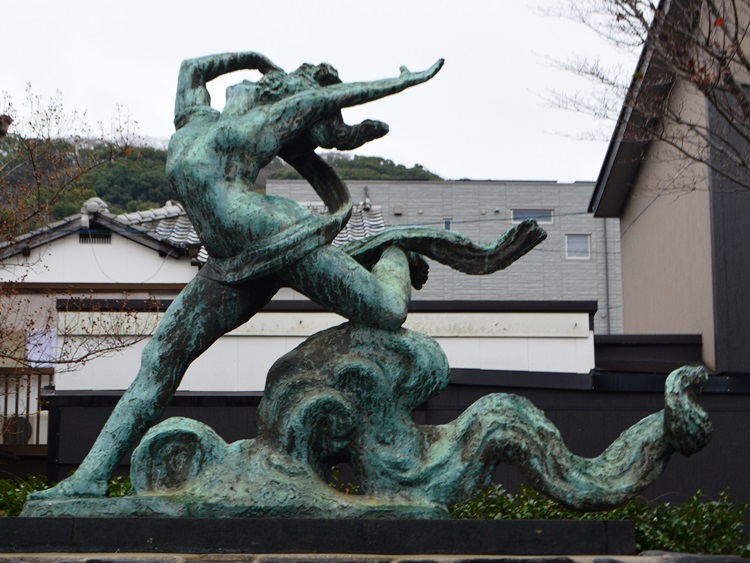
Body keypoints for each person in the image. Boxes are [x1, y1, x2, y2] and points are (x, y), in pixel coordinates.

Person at [32, 53, 544, 499]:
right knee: (159, 359)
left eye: (251, 84)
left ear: (272, 93)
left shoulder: (260, 121)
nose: (240, 86)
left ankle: (394, 251)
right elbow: (192, 68)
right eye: (241, 83)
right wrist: (257, 57)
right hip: (231, 265)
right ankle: (90, 477)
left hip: (277, 234)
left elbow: (332, 98)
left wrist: (405, 81)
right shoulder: (193, 121)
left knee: (388, 311)